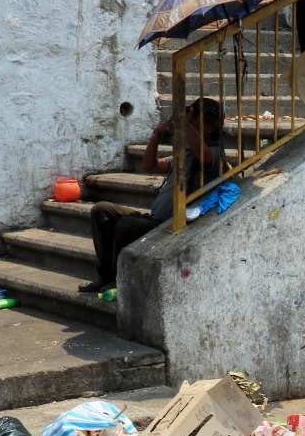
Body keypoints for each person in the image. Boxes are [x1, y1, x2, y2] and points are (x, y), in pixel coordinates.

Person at [78, 97, 226, 294]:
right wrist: (156, 135)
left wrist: (183, 124)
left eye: (194, 121)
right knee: (101, 210)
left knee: (127, 226)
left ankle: (119, 281)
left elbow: (203, 152)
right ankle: (105, 276)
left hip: (171, 226)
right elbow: (150, 166)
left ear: (210, 127)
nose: (188, 125)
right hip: (155, 220)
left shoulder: (215, 154)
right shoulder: (186, 153)